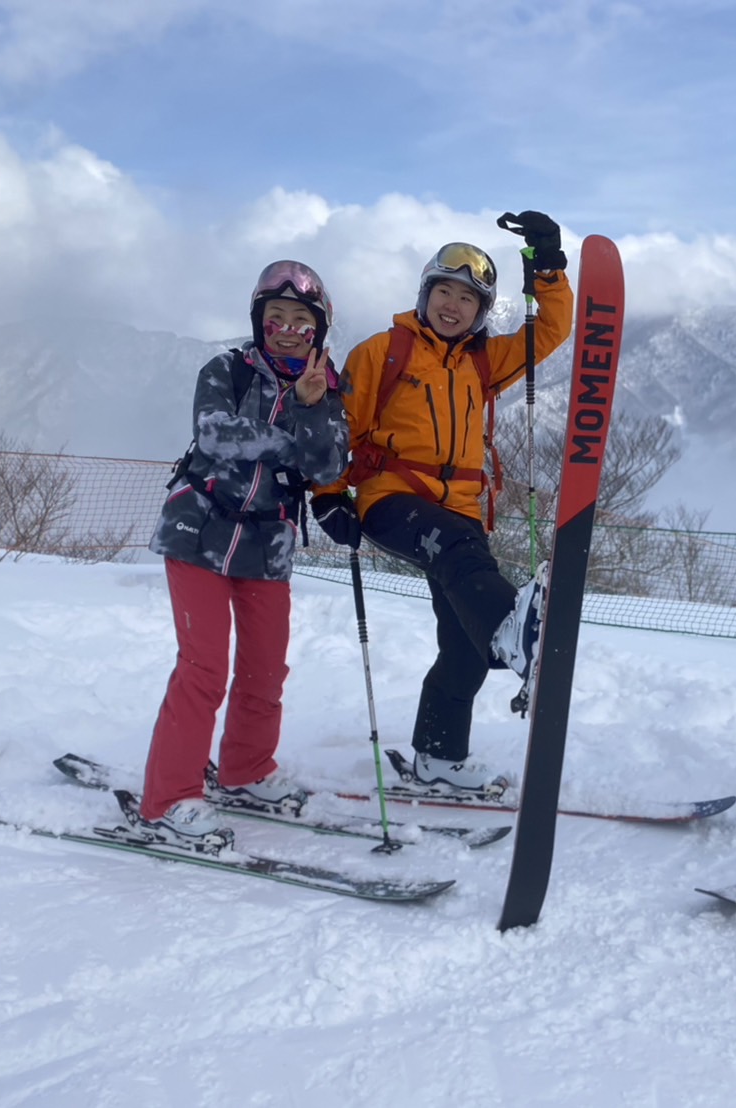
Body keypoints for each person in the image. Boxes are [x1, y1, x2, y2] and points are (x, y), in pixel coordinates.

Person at [311, 213, 573, 793]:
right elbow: (339, 429)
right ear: (425, 294)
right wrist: (328, 496)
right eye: (444, 292)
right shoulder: (383, 351)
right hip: (390, 500)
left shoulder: (482, 362)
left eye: (468, 300)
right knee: (464, 562)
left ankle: (438, 757)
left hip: (459, 512)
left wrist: (548, 267)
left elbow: (550, 334)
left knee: (463, 646)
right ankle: (512, 627)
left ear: (482, 312)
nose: (453, 306)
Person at [139, 261, 350, 839]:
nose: (285, 328)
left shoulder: (328, 388)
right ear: (259, 322)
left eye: (299, 320)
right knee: (203, 668)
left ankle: (245, 771)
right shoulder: (227, 369)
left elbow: (329, 465)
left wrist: (309, 409)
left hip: (269, 541)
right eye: (274, 317)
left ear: (318, 329)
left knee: (264, 670)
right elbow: (214, 433)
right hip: (197, 531)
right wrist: (293, 442)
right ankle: (167, 798)